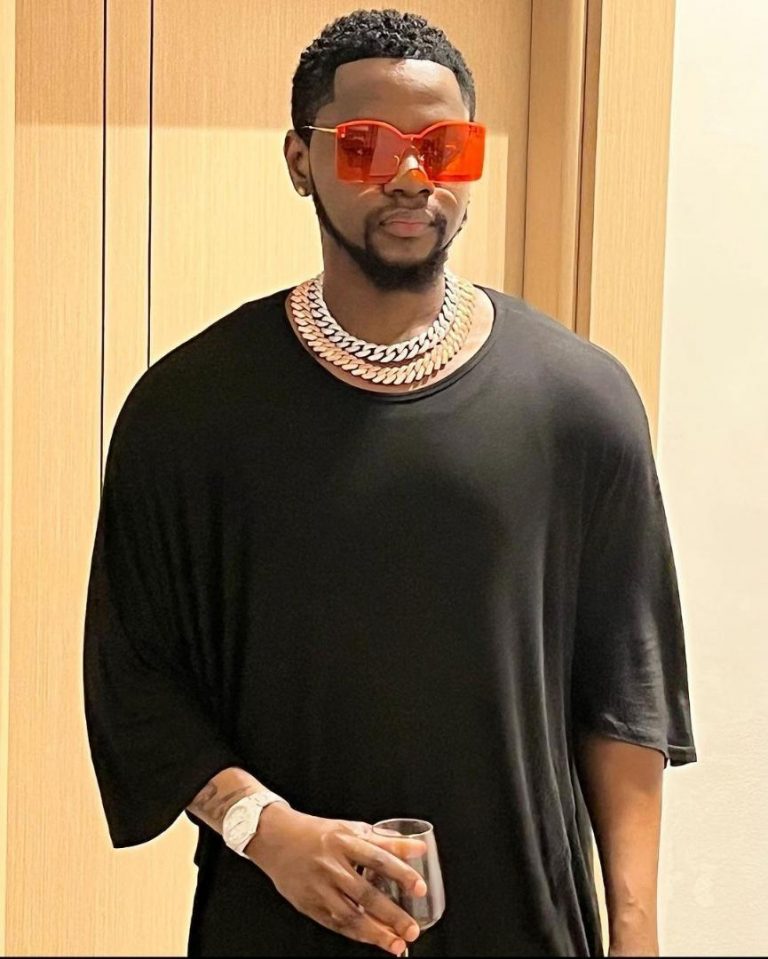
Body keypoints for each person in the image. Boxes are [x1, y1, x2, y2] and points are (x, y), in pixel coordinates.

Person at [83, 8, 697, 958]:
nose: (412, 176)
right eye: (368, 146)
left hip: (522, 919)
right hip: (276, 922)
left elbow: (627, 687)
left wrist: (637, 931)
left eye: (444, 147)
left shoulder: (580, 402)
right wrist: (268, 831)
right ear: (301, 161)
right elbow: (139, 676)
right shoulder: (190, 409)